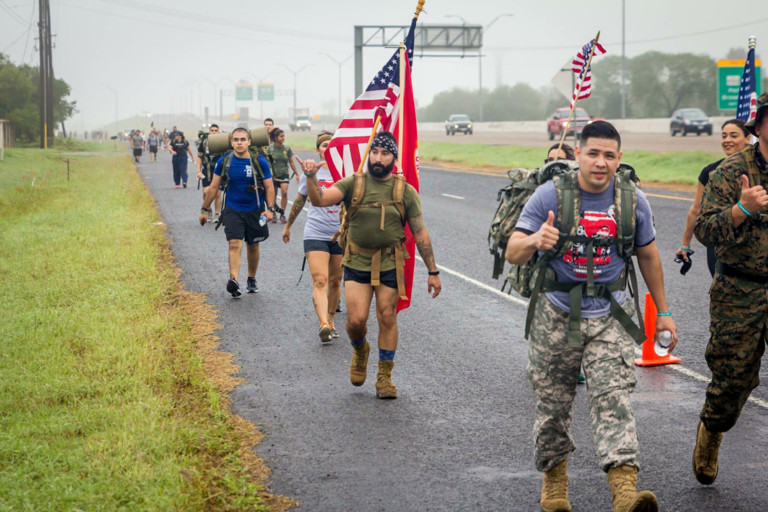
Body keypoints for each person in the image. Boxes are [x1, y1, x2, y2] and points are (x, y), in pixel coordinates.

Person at [506, 121, 675, 512]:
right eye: (593, 153)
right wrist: (534, 240)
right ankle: (554, 487)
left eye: (609, 155)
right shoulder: (550, 195)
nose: (601, 162)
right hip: (557, 312)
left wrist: (663, 312)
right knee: (553, 402)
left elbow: (648, 255)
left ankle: (625, 493)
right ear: (578, 154)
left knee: (613, 397)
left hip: (610, 312)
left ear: (619, 159)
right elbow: (514, 249)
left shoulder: (633, 200)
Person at [299, 131, 442, 399]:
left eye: (384, 153)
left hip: (390, 262)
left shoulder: (405, 191)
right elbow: (318, 200)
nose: (377, 158)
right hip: (357, 262)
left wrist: (433, 271)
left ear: (394, 158)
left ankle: (384, 377)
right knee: (355, 321)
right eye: (374, 152)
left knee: (387, 317)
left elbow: (420, 233)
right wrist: (309, 177)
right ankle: (360, 349)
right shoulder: (353, 183)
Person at [692, 93, 768, 487]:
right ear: (760, 126)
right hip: (740, 289)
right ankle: (712, 431)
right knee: (733, 379)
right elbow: (704, 229)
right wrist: (742, 209)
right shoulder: (730, 170)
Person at [199, 127, 275, 296]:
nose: (239, 143)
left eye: (243, 139)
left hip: (255, 209)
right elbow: (213, 187)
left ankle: (251, 278)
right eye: (236, 140)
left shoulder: (259, 160)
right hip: (233, 209)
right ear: (231, 142)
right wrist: (204, 210)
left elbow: (269, 187)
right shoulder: (224, 161)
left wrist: (270, 209)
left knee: (253, 245)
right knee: (234, 243)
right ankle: (234, 280)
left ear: (249, 142)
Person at [282, 132, 342, 343]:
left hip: (341, 235)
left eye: (332, 144)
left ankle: (331, 320)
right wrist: (288, 226)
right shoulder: (312, 172)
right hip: (316, 233)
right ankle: (323, 323)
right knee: (320, 280)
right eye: (324, 145)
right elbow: (299, 202)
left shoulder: (347, 174)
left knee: (335, 282)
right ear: (318, 150)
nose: (328, 148)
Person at [676, 119, 751, 277]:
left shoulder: (760, 168)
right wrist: (685, 245)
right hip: (720, 242)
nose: (727, 140)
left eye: (734, 135)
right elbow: (696, 210)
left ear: (748, 138)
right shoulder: (710, 172)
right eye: (724, 136)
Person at [268, 127, 299, 223]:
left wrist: (297, 174)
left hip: (284, 174)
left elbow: (292, 162)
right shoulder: (270, 148)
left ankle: (282, 214)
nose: (283, 138)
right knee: (274, 195)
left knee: (284, 192)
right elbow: (267, 162)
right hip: (274, 175)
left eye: (284, 136)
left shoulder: (287, 148)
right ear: (276, 138)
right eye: (281, 136)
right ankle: (273, 213)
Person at [196, 124, 224, 223]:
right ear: (209, 131)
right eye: (212, 130)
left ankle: (217, 214)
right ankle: (208, 209)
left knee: (217, 193)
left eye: (216, 130)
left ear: (218, 132)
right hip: (206, 170)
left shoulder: (222, 142)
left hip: (219, 170)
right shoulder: (204, 142)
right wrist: (198, 171)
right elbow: (199, 157)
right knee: (206, 191)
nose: (214, 132)